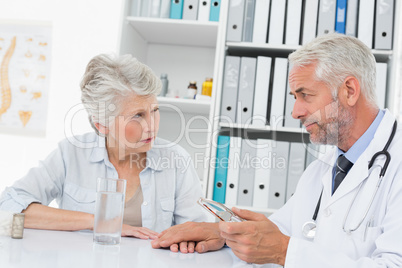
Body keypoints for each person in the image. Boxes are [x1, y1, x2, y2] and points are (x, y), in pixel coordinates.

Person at [151, 33, 402, 266]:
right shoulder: (322, 168)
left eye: (305, 95)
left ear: (349, 91)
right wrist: (221, 232)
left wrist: (284, 252)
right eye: (295, 97)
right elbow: (280, 229)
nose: (296, 112)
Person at [0, 54, 207, 240]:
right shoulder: (71, 154)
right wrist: (99, 221)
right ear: (102, 124)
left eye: (154, 110)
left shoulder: (176, 160)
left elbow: (199, 231)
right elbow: (9, 205)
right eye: (138, 115)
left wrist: (190, 242)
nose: (152, 125)